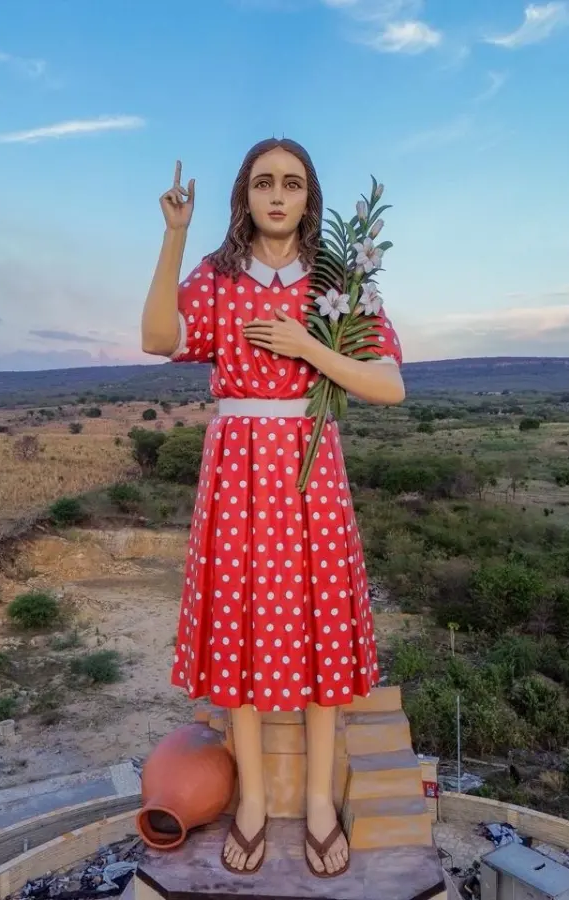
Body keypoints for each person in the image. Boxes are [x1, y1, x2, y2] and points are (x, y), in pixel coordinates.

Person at [139, 138, 405, 878]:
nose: (277, 195)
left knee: (319, 627)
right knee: (240, 631)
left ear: (309, 197)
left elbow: (389, 383)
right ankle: (252, 802)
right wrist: (174, 235)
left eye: (291, 183)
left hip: (311, 466)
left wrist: (306, 345)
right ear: (245, 196)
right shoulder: (219, 279)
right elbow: (158, 336)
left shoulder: (339, 283)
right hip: (235, 474)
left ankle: (320, 803)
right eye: (264, 183)